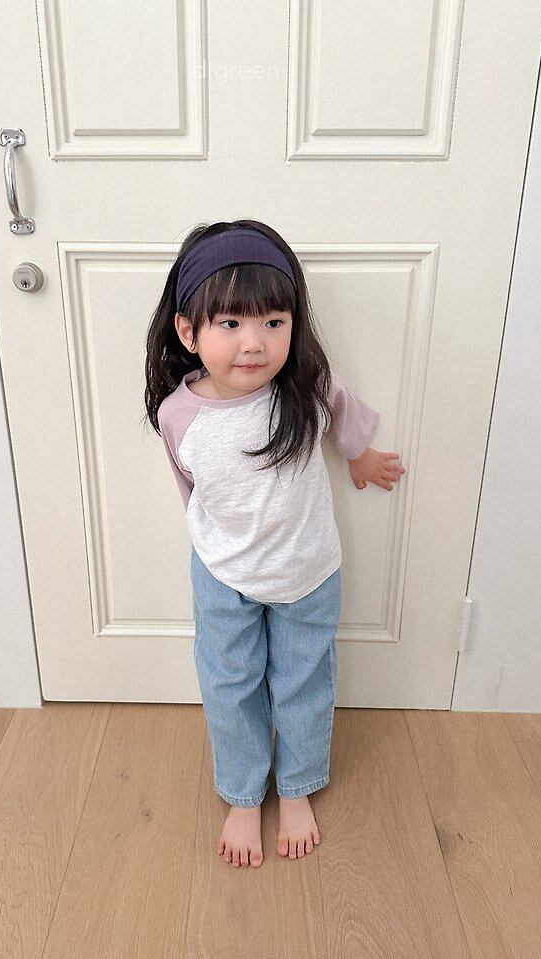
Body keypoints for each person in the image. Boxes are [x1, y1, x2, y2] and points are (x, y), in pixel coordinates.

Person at [144, 219, 405, 869]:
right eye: (231, 323)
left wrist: (360, 455)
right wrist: (215, 544)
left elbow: (341, 410)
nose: (253, 342)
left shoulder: (304, 386)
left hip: (307, 571)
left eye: (273, 322)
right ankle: (242, 792)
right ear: (188, 332)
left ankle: (296, 786)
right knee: (230, 683)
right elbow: (190, 487)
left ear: (293, 324)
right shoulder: (179, 415)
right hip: (224, 574)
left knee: (302, 681)